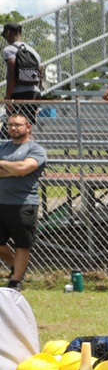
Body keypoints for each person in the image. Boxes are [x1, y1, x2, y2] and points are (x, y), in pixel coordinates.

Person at [0, 112, 46, 291]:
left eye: (17, 125)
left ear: (28, 127)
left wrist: (10, 168)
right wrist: (15, 170)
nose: (13, 128)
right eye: (10, 124)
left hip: (23, 203)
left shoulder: (35, 149)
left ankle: (15, 281)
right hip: (1, 202)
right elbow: (18, 169)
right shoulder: (3, 147)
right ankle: (15, 264)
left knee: (22, 244)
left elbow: (24, 168)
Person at [2, 23, 44, 133]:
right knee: (25, 128)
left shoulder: (9, 49)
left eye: (5, 36)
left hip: (19, 95)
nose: (5, 39)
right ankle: (29, 148)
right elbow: (40, 73)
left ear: (9, 33)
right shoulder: (33, 51)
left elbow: (11, 74)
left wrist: (8, 98)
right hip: (35, 93)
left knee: (11, 130)